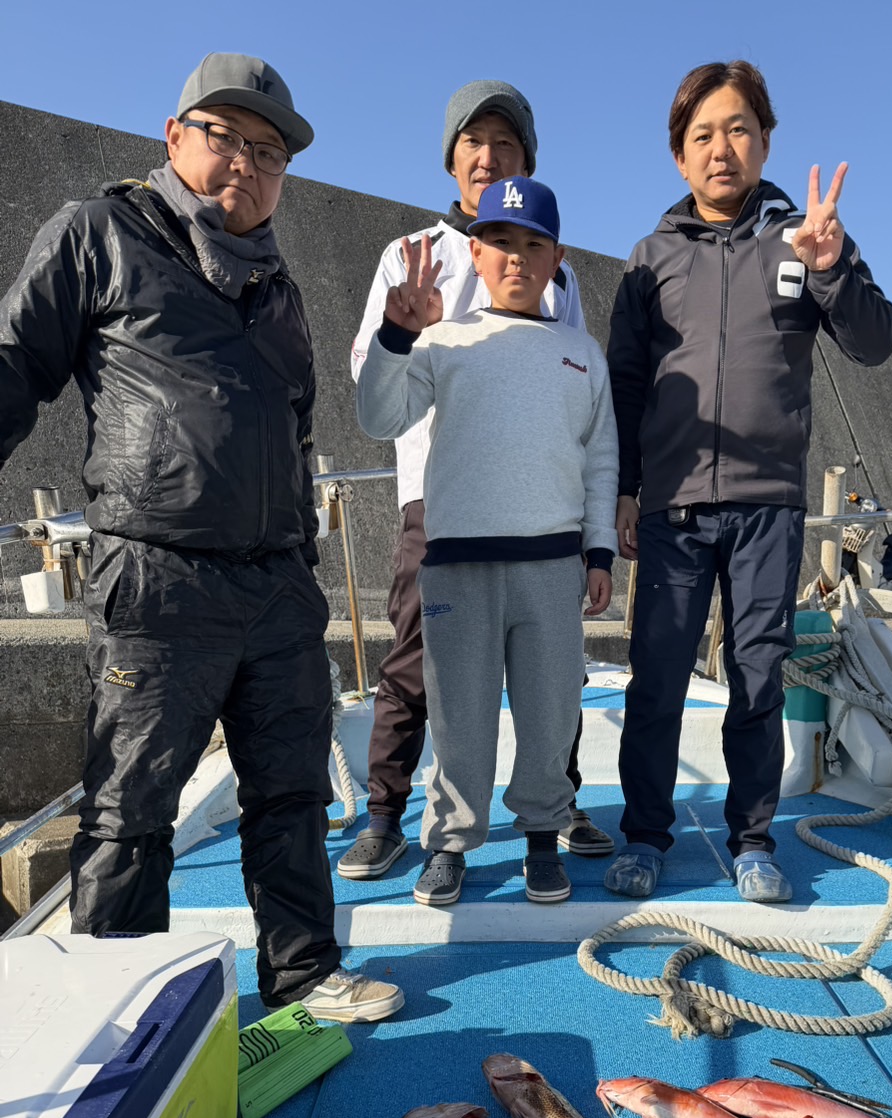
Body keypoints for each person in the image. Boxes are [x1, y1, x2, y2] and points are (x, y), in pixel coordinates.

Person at [0, 53, 402, 1024]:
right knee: (130, 808)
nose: (247, 165)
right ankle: (115, 1007)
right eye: (226, 137)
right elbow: (14, 363)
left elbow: (295, 428)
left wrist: (298, 554)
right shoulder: (102, 232)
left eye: (270, 152)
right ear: (175, 136)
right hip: (155, 578)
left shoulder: (281, 289)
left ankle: (303, 975)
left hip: (277, 584)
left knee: (292, 795)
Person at [604, 59, 892, 903]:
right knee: (657, 676)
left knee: (759, 677)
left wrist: (831, 266)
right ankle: (644, 835)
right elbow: (626, 385)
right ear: (679, 156)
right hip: (672, 506)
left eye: (738, 129)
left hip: (768, 504)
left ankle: (753, 839)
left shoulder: (803, 239)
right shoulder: (650, 257)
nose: (720, 148)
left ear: (766, 140)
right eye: (702, 135)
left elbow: (876, 342)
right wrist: (623, 489)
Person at [340, 80, 614, 885]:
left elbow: (577, 403)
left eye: (505, 144)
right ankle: (389, 815)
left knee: (552, 678)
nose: (488, 157)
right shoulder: (409, 253)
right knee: (416, 662)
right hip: (442, 503)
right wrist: (405, 329)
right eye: (473, 143)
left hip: (541, 520)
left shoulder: (564, 287)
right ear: (451, 157)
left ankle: (555, 808)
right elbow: (371, 382)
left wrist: (594, 539)